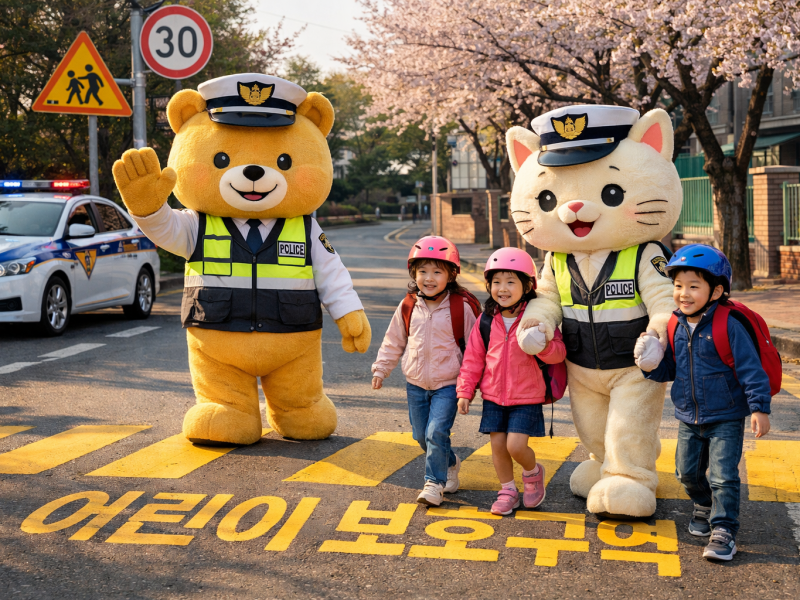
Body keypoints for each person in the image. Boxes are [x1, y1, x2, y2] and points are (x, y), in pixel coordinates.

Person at [635, 244, 771, 561]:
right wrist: (650, 364)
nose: (683, 293)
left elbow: (752, 369)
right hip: (687, 415)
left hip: (726, 416)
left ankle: (723, 530)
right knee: (686, 473)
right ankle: (703, 502)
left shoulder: (728, 324)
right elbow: (672, 370)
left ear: (716, 291)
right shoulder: (674, 324)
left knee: (724, 475)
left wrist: (759, 408)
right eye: (678, 286)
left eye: (693, 286)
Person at [457, 248, 566, 515]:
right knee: (497, 446)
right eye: (496, 282)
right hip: (493, 396)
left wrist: (541, 345)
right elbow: (473, 358)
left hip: (527, 396)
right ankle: (507, 490)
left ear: (528, 285)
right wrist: (465, 391)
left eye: (510, 282)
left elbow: (559, 354)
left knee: (516, 445)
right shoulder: (486, 320)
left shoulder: (536, 319)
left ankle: (532, 473)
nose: (502, 289)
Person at [372, 236, 479, 506]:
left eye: (437, 272)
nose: (428, 278)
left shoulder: (460, 308)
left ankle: (434, 483)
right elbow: (394, 339)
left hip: (448, 384)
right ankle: (450, 460)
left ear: (451, 275)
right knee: (421, 435)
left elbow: (475, 350)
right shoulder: (408, 306)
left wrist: (470, 386)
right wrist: (381, 369)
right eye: (422, 271)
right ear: (413, 273)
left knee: (435, 432)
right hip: (416, 384)